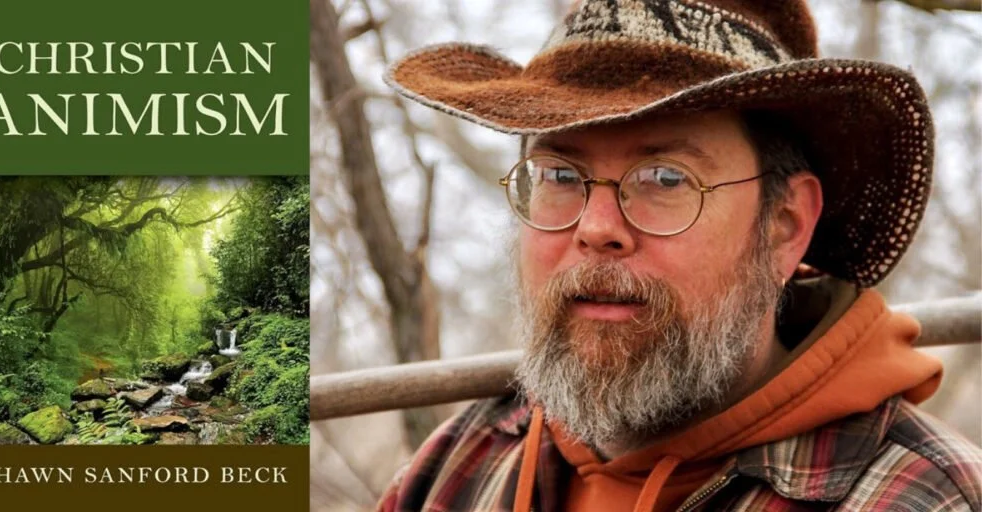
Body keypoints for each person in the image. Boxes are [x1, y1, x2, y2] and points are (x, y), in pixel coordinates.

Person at [375, 1, 982, 510]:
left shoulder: (920, 498)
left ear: (784, 225)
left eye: (665, 178)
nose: (596, 229)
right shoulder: (463, 464)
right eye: (560, 173)